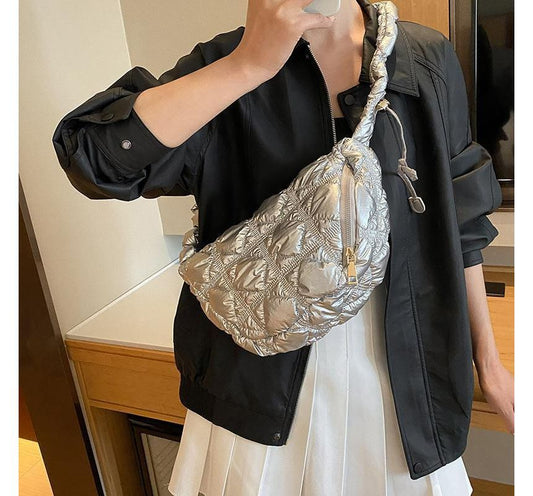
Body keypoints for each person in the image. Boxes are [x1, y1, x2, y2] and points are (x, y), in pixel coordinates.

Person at [52, 0, 514, 494]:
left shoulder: (424, 57)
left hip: (403, 378)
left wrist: (488, 362)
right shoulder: (224, 62)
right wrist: (248, 65)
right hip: (256, 383)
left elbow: (461, 223)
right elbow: (96, 162)